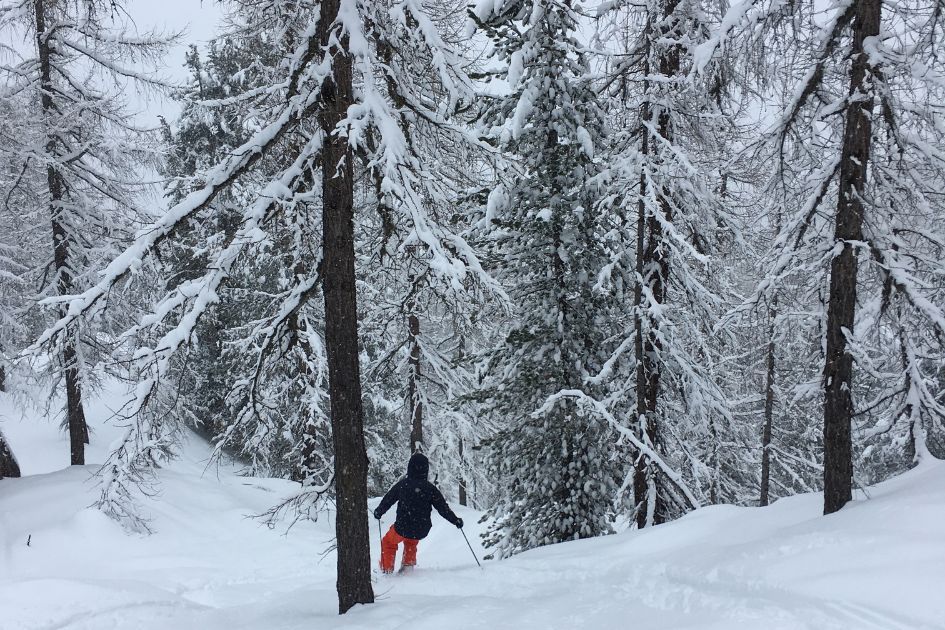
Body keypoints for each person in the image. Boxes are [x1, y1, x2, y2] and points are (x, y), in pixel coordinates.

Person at [373, 452, 464, 573]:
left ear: (410, 467)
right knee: (411, 540)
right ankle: (408, 568)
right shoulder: (430, 488)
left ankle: (387, 570)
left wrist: (379, 511)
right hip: (421, 528)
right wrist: (455, 520)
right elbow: (443, 508)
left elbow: (388, 500)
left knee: (388, 542)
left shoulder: (403, 485)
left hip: (402, 527)